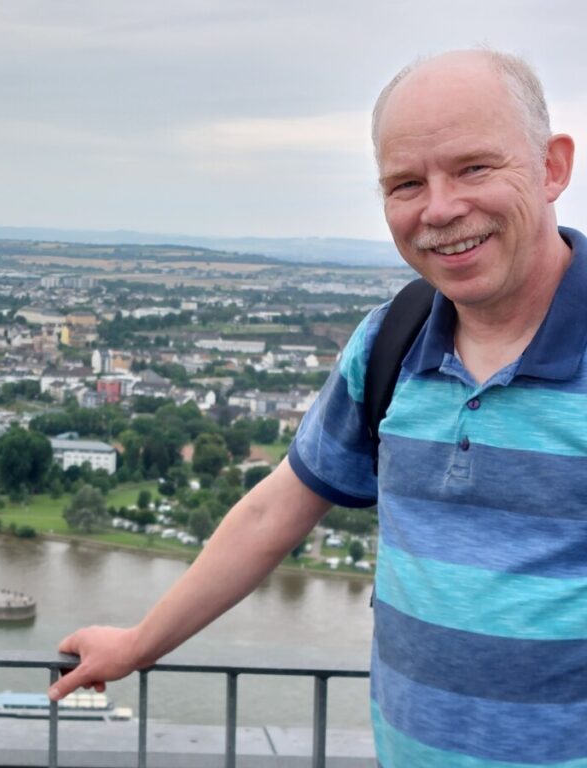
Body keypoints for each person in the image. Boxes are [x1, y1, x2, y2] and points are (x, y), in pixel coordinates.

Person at [51, 49, 587, 766]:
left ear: (552, 167)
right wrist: (141, 643)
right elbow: (275, 513)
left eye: (474, 168)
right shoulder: (389, 344)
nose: (439, 208)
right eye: (405, 183)